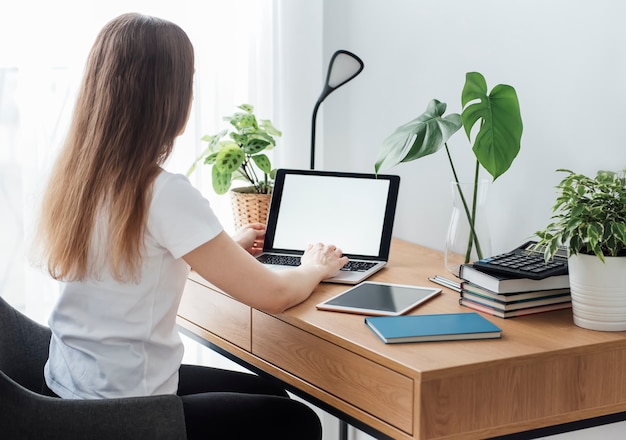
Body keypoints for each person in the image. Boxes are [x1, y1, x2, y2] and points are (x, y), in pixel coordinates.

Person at [34, 12, 348, 440]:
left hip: (69, 393)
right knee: (297, 421)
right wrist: (315, 266)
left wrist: (223, 249)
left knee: (270, 393)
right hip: (126, 414)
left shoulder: (78, 177)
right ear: (169, 96)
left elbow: (135, 261)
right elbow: (274, 295)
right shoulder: (161, 191)